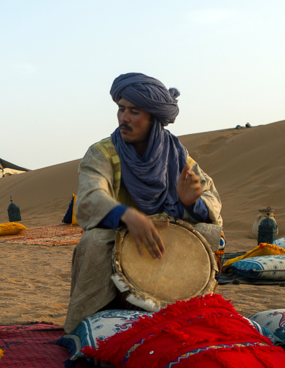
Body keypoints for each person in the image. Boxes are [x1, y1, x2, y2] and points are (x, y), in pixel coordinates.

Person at [64, 73, 223, 333]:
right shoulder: (102, 153)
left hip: (165, 235)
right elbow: (91, 197)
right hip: (118, 232)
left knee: (212, 234)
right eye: (121, 109)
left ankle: (188, 316)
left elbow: (211, 197)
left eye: (134, 111)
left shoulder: (177, 155)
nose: (124, 118)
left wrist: (192, 203)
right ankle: (89, 325)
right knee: (94, 241)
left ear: (154, 119)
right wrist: (127, 216)